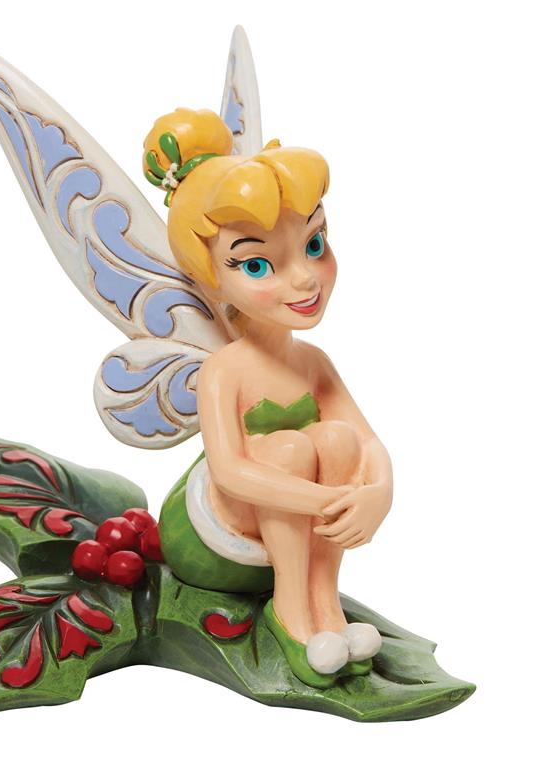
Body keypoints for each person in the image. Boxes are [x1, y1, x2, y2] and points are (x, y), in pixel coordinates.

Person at [150, 108, 394, 688]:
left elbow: (365, 443)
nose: (304, 279)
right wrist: (326, 502)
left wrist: (378, 494)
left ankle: (326, 607)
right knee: (287, 450)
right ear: (211, 275)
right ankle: (292, 613)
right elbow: (231, 471)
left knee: (336, 439)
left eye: (314, 244)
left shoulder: (313, 364)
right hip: (218, 533)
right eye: (258, 264)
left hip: (297, 517)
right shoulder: (225, 370)